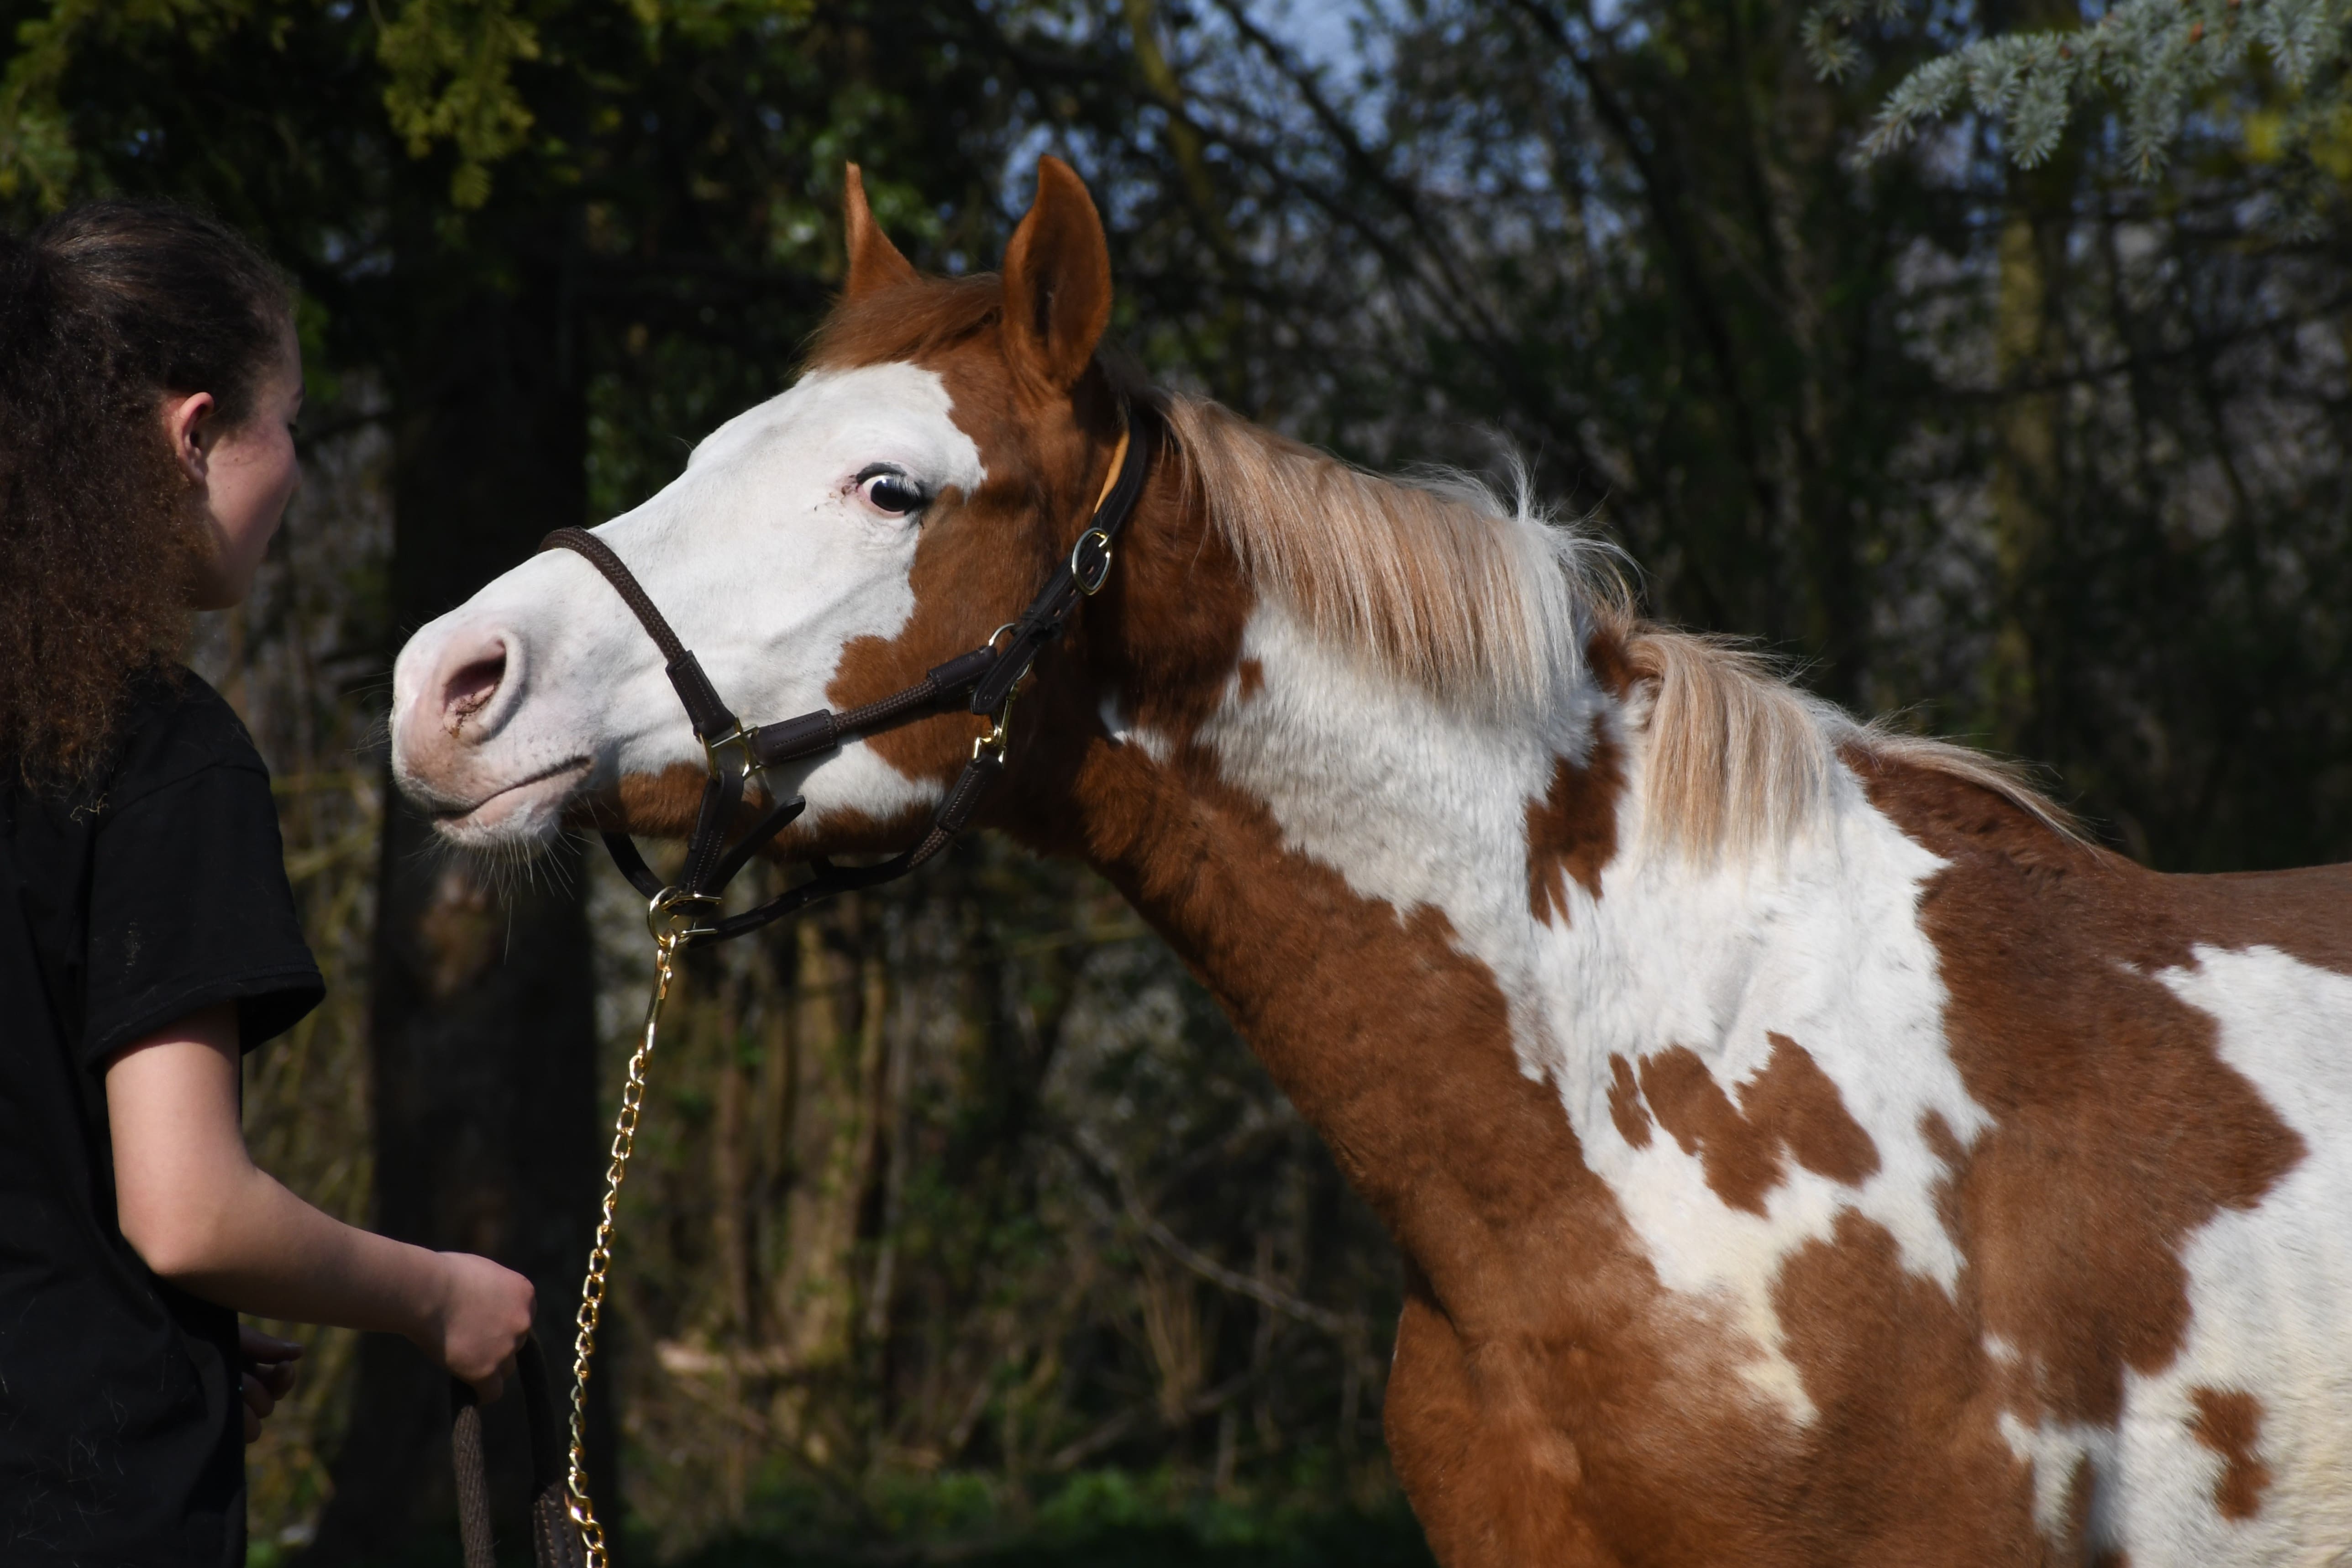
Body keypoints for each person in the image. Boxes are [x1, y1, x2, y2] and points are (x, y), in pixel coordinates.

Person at [0, 200, 538, 1566]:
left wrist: (146, 1330)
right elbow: (186, 1210)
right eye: (285, 419)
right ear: (193, 435)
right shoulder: (154, 747)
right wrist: (438, 1297)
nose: (296, 464)